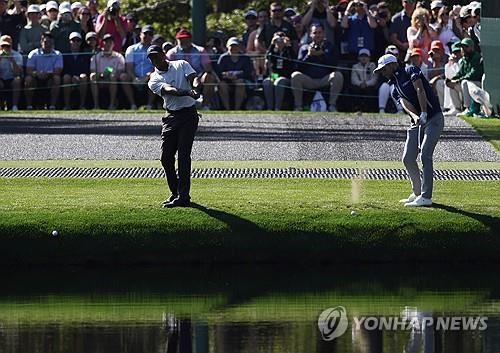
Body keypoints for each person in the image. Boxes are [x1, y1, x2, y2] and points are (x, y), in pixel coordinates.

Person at [374, 53, 444, 207]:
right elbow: (405, 104)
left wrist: (424, 112)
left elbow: (420, 90)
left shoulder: (410, 70)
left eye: (383, 69)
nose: (382, 73)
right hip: (418, 122)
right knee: (408, 158)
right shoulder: (393, 88)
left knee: (425, 155)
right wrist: (416, 116)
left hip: (434, 119)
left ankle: (426, 197)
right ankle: (417, 193)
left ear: (392, 65)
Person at [146, 44, 202, 208]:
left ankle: (183, 196)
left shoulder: (181, 64)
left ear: (164, 55)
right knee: (166, 158)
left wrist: (196, 86)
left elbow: (193, 77)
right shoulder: (154, 80)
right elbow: (169, 90)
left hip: (189, 115)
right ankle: (176, 193)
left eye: (156, 56)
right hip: (171, 116)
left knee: (184, 156)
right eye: (151, 58)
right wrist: (188, 92)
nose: (154, 60)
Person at [291, 23, 344, 112]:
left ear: (323, 33)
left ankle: (332, 105)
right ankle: (298, 106)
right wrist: (308, 56)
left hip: (324, 79)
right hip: (309, 80)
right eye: (315, 33)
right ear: (311, 34)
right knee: (295, 75)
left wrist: (322, 55)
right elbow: (298, 67)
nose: (317, 35)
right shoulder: (304, 48)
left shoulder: (330, 46)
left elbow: (333, 65)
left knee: (338, 75)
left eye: (320, 32)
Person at [167, 28, 217, 110]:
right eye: (181, 39)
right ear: (177, 40)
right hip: (178, 79)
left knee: (209, 77)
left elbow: (208, 68)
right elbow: (167, 70)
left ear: (190, 39)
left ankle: (205, 105)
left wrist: (197, 77)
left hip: (198, 78)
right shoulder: (172, 53)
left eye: (185, 38)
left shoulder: (200, 50)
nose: (183, 41)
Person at [25, 31, 63, 110]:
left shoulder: (57, 54)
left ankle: (52, 105)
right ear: (41, 42)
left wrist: (47, 73)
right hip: (36, 77)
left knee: (57, 79)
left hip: (50, 77)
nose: (47, 44)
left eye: (49, 42)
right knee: (28, 79)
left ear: (52, 42)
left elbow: (58, 70)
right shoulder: (33, 53)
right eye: (45, 42)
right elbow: (29, 70)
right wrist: (36, 74)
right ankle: (29, 105)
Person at [448, 37, 484, 117]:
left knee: (464, 82)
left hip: (477, 84)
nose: (463, 49)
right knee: (451, 83)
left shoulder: (476, 57)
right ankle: (456, 108)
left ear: (471, 47)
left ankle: (467, 108)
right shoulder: (464, 59)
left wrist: (458, 80)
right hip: (468, 83)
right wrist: (452, 80)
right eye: (462, 47)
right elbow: (460, 73)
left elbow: (473, 74)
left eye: (466, 47)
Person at [89, 33, 126, 109]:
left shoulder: (119, 56)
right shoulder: (96, 57)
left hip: (113, 79)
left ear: (113, 44)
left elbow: (120, 71)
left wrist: (110, 74)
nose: (108, 44)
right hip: (99, 79)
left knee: (113, 76)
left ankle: (112, 104)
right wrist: (102, 74)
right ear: (102, 44)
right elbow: (92, 70)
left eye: (110, 42)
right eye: (106, 42)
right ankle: (96, 105)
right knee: (92, 76)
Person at [216, 37, 254, 110]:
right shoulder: (223, 58)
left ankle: (237, 109)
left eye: (235, 46)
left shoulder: (245, 58)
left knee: (240, 83)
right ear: (227, 47)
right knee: (221, 84)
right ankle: (227, 109)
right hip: (227, 81)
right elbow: (219, 73)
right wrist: (227, 76)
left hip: (242, 81)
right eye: (231, 46)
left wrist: (237, 76)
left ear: (239, 47)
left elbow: (248, 73)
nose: (233, 48)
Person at [124, 25, 155, 109]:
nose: (147, 36)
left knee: (155, 76)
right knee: (124, 77)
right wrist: (134, 77)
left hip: (149, 76)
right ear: (140, 34)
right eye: (145, 33)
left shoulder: (154, 49)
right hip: (133, 76)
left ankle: (149, 105)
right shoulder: (131, 49)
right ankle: (132, 104)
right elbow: (129, 66)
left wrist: (147, 76)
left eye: (150, 34)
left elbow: (155, 66)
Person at [262, 32, 295, 110]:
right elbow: (268, 57)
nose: (279, 42)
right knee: (267, 82)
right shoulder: (273, 51)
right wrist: (272, 44)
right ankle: (270, 108)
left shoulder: (288, 51)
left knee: (279, 82)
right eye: (277, 40)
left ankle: (277, 108)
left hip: (286, 76)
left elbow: (293, 61)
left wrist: (288, 46)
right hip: (275, 75)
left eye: (281, 40)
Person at [62, 31, 90, 109]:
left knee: (83, 77)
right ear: (69, 42)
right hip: (69, 77)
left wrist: (77, 77)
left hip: (80, 78)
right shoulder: (65, 55)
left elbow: (86, 69)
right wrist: (73, 77)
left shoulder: (84, 55)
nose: (76, 42)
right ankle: (67, 105)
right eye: (73, 40)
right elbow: (64, 70)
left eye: (78, 40)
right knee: (66, 77)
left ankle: (82, 105)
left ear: (81, 42)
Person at [0, 35, 22, 111]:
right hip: (1, 78)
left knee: (17, 80)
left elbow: (18, 73)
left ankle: (14, 106)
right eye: (3, 46)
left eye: (7, 46)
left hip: (12, 78)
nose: (5, 48)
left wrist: (12, 60)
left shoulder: (17, 55)